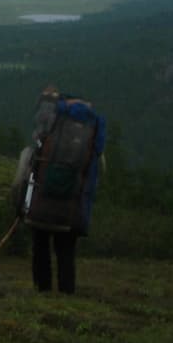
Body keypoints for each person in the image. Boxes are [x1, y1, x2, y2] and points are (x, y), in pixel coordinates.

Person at [26, 85, 106, 295]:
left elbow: (35, 148)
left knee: (40, 245)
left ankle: (42, 290)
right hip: (72, 204)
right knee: (65, 250)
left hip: (42, 196)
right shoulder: (94, 124)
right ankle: (66, 293)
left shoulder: (51, 115)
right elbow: (94, 167)